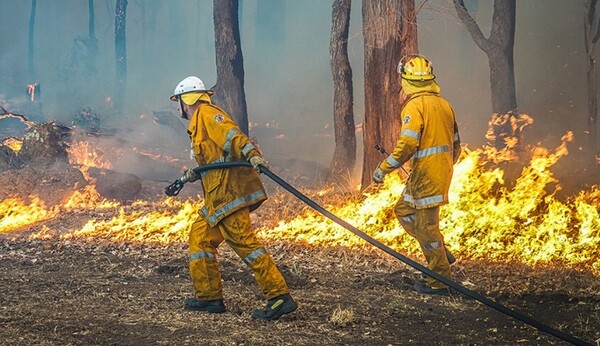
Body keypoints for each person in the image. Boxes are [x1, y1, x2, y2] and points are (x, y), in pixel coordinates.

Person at [169, 76, 297, 320]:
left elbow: (231, 136)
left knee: (246, 245)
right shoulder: (197, 123)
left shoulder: (207, 114)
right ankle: (208, 298)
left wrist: (252, 153)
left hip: (229, 196)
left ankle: (279, 296)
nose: (179, 108)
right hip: (217, 197)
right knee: (200, 237)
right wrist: (195, 172)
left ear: (188, 100)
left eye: (179, 102)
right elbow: (215, 157)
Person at [372, 56, 461, 296]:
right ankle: (440, 254)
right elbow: (456, 146)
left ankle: (439, 280)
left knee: (428, 228)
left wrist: (383, 168)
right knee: (403, 210)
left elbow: (408, 144)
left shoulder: (414, 106)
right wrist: (442, 166)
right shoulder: (445, 105)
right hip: (433, 173)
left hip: (427, 176)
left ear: (406, 81)